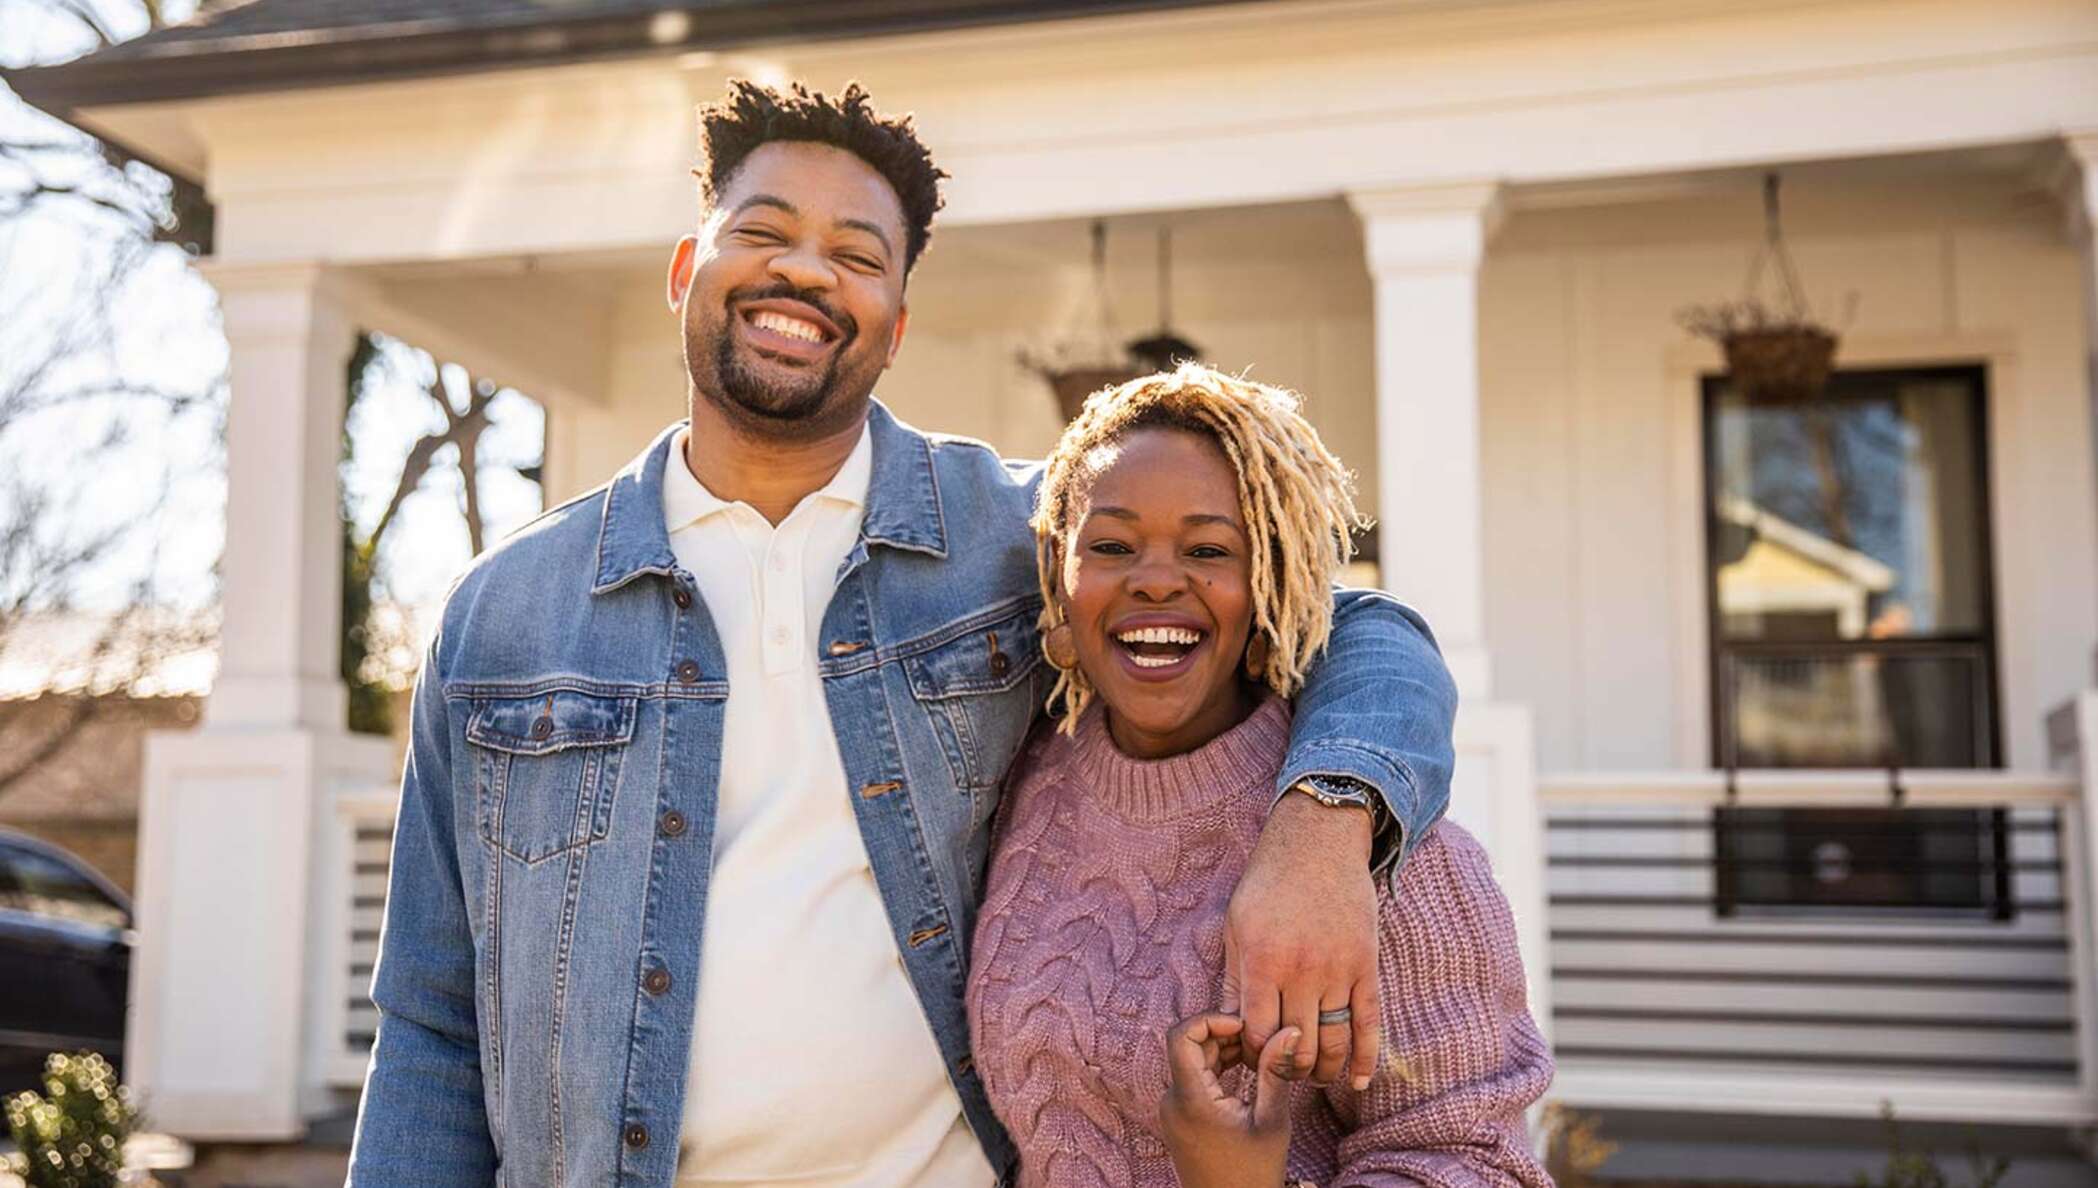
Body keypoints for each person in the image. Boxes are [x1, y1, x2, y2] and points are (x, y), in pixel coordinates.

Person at [346, 81, 1459, 1188]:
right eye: (763, 231)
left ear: (894, 328)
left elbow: (1352, 622)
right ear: (688, 271)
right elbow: (433, 1021)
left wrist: (1324, 831)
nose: (805, 271)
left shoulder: (1015, 538)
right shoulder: (506, 612)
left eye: (858, 254)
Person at [967, 365, 1552, 1188]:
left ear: (1271, 584)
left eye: (1209, 550)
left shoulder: (1382, 855)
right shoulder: (1019, 779)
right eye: (1110, 545)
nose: (1158, 579)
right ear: (1058, 577)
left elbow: (1478, 1165)